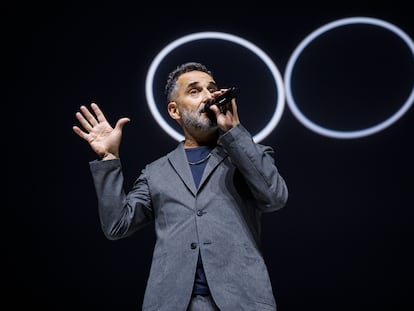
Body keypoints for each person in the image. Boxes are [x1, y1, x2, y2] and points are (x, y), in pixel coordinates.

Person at [73, 62, 288, 311]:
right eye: (195, 91)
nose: (208, 97)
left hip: (241, 301)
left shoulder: (250, 155)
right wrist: (109, 159)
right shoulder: (156, 172)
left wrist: (234, 131)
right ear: (174, 110)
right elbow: (117, 226)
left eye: (212, 89)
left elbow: (275, 197)